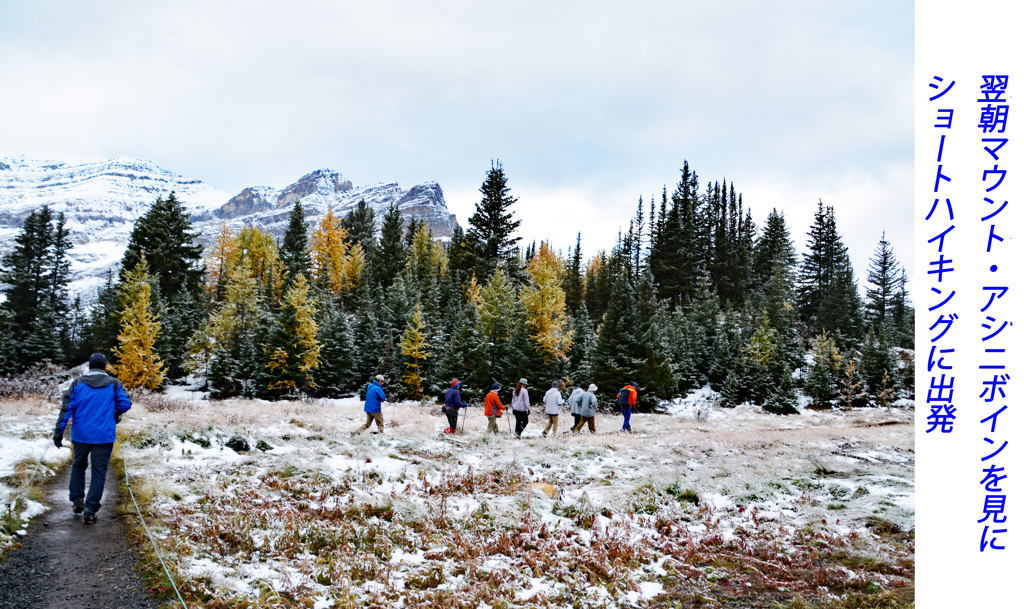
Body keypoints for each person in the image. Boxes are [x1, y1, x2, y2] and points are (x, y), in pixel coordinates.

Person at [53, 353, 132, 524]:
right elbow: (126, 404)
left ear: (88, 366)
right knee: (99, 472)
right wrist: (115, 411)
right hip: (104, 436)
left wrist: (58, 432)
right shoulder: (114, 384)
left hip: (80, 435)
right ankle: (90, 509)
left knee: (79, 465)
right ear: (105, 367)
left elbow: (66, 409)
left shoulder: (77, 384)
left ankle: (76, 501)